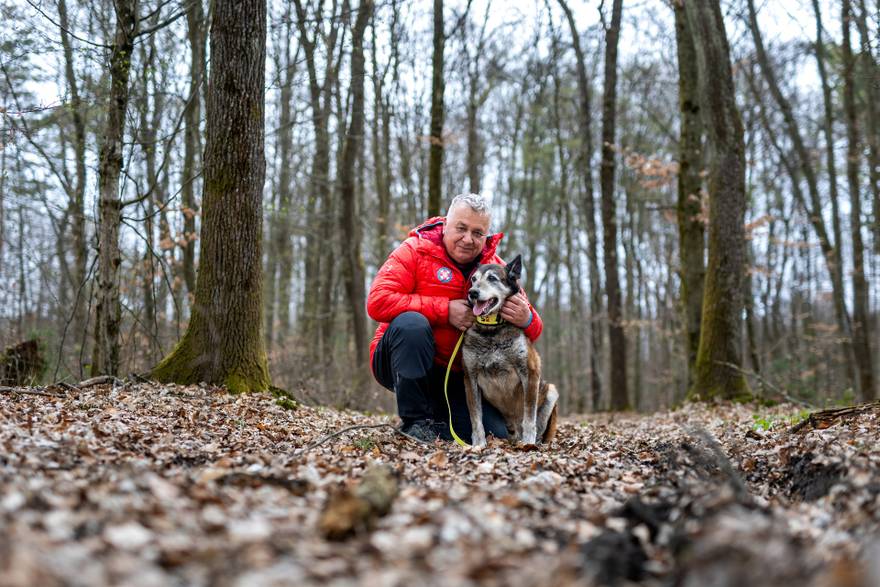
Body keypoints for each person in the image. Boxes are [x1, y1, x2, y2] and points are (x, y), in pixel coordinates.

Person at [367, 193, 543, 443]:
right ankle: (414, 423)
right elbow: (377, 301)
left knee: (496, 435)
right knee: (412, 324)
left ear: (486, 235)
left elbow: (533, 331)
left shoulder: (494, 267)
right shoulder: (414, 251)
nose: (468, 239)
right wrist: (444, 310)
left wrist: (526, 318)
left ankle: (436, 422)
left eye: (478, 233)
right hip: (398, 359)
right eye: (461, 228)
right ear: (445, 225)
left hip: (455, 375)